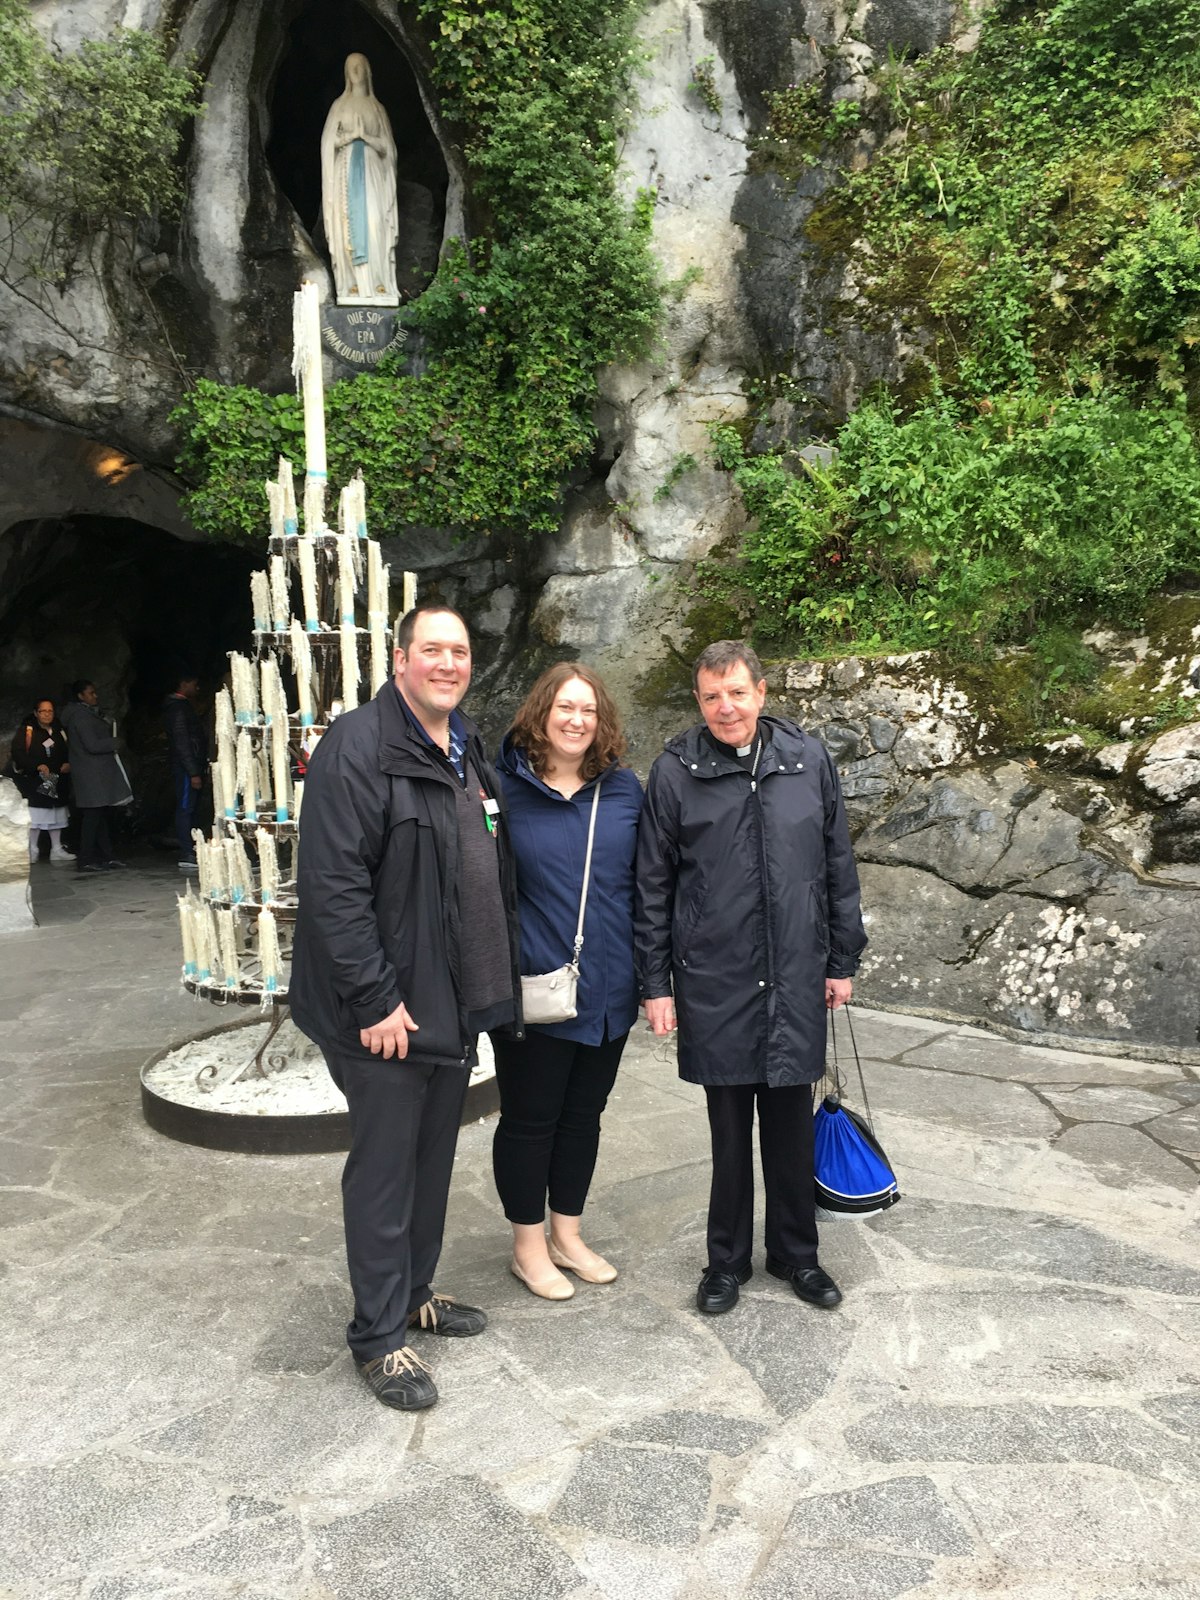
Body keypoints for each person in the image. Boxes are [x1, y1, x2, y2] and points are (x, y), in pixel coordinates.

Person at [290, 605, 522, 1411]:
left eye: (460, 651)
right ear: (400, 660)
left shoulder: (464, 747)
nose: (448, 664)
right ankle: (379, 1339)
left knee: (429, 1162)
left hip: (447, 1002)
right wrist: (376, 1000)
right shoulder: (356, 748)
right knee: (385, 1174)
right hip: (385, 1012)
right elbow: (332, 887)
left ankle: (415, 1292)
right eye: (433, 650)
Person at [635, 640, 867, 1316]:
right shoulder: (676, 771)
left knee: (791, 1127)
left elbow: (836, 866)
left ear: (761, 694)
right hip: (715, 977)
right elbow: (651, 886)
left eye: (736, 693)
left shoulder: (808, 761)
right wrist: (656, 983)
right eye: (712, 696)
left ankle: (798, 1255)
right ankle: (725, 1262)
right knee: (730, 1132)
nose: (725, 707)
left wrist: (841, 959)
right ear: (699, 700)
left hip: (795, 971)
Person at [492, 663, 644, 1300]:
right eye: (564, 707)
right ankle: (528, 1246)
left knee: (584, 1116)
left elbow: (650, 884)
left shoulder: (625, 791)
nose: (576, 720)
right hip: (535, 989)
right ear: (541, 714)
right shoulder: (502, 791)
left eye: (588, 710)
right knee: (531, 1119)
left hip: (610, 989)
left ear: (601, 720)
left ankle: (568, 1233)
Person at [320, 52, 400, 304]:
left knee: (375, 224)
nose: (355, 70)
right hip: (346, 175)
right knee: (348, 227)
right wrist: (347, 138)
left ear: (367, 70)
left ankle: (379, 284)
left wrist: (366, 137)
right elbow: (327, 143)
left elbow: (389, 148)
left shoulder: (377, 108)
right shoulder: (339, 106)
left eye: (359, 66)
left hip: (373, 173)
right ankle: (353, 285)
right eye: (350, 66)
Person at [59, 680, 131, 875]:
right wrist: (114, 742)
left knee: (97, 816)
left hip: (92, 773)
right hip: (91, 774)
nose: (95, 696)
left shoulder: (80, 715)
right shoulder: (81, 717)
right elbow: (92, 745)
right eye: (91, 693)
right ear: (80, 696)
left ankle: (106, 855)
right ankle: (86, 859)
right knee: (93, 817)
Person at [10, 699, 72, 863]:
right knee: (36, 817)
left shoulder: (59, 731)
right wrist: (36, 766)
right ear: (36, 713)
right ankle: (33, 849)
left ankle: (57, 849)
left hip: (58, 779)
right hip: (35, 781)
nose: (47, 714)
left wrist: (68, 763)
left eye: (50, 711)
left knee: (57, 814)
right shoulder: (27, 731)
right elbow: (18, 753)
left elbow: (69, 750)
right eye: (43, 711)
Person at [163, 673, 208, 873]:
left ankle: (192, 847)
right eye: (194, 683)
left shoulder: (182, 706)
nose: (197, 688)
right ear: (183, 683)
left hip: (191, 765)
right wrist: (192, 771)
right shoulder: (177, 709)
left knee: (191, 807)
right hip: (185, 767)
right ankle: (187, 852)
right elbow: (182, 742)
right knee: (185, 807)